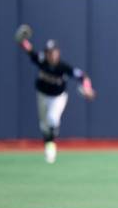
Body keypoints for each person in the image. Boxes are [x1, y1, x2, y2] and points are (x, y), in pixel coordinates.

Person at [15, 25, 96, 163]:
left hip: (58, 97)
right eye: (49, 52)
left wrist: (87, 88)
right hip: (42, 95)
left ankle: (51, 146)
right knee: (44, 125)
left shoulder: (63, 67)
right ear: (46, 53)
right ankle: (49, 143)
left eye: (54, 52)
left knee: (52, 119)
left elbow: (83, 76)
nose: (52, 54)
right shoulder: (41, 60)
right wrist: (22, 41)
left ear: (58, 53)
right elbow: (29, 50)